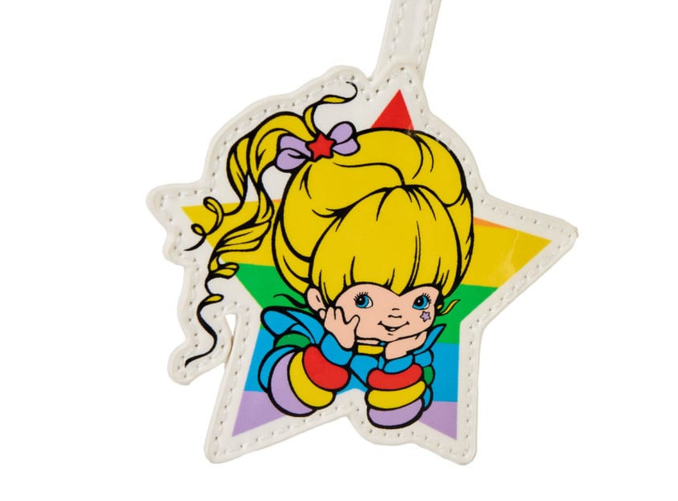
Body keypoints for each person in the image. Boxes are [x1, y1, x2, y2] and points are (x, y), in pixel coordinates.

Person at [189, 91, 474, 428]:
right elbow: (288, 396)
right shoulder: (300, 332)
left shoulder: (416, 352)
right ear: (318, 299)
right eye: (364, 299)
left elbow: (397, 415)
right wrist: (333, 350)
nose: (396, 314)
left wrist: (398, 363)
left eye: (420, 300)